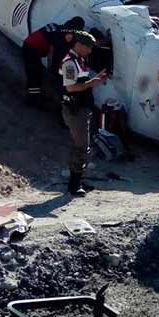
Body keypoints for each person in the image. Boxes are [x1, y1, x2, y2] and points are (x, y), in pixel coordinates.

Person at [60, 31, 108, 197]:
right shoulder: (70, 63)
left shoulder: (79, 61)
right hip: (75, 109)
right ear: (78, 45)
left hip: (81, 108)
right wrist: (92, 83)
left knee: (80, 145)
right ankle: (74, 185)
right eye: (88, 47)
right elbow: (71, 87)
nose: (90, 50)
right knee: (81, 146)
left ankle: (77, 181)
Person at [21, 17, 84, 108]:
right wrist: (51, 70)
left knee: (34, 75)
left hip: (29, 45)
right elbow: (52, 53)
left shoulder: (55, 26)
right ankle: (33, 101)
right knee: (35, 77)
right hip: (32, 50)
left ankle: (32, 98)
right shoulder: (59, 36)